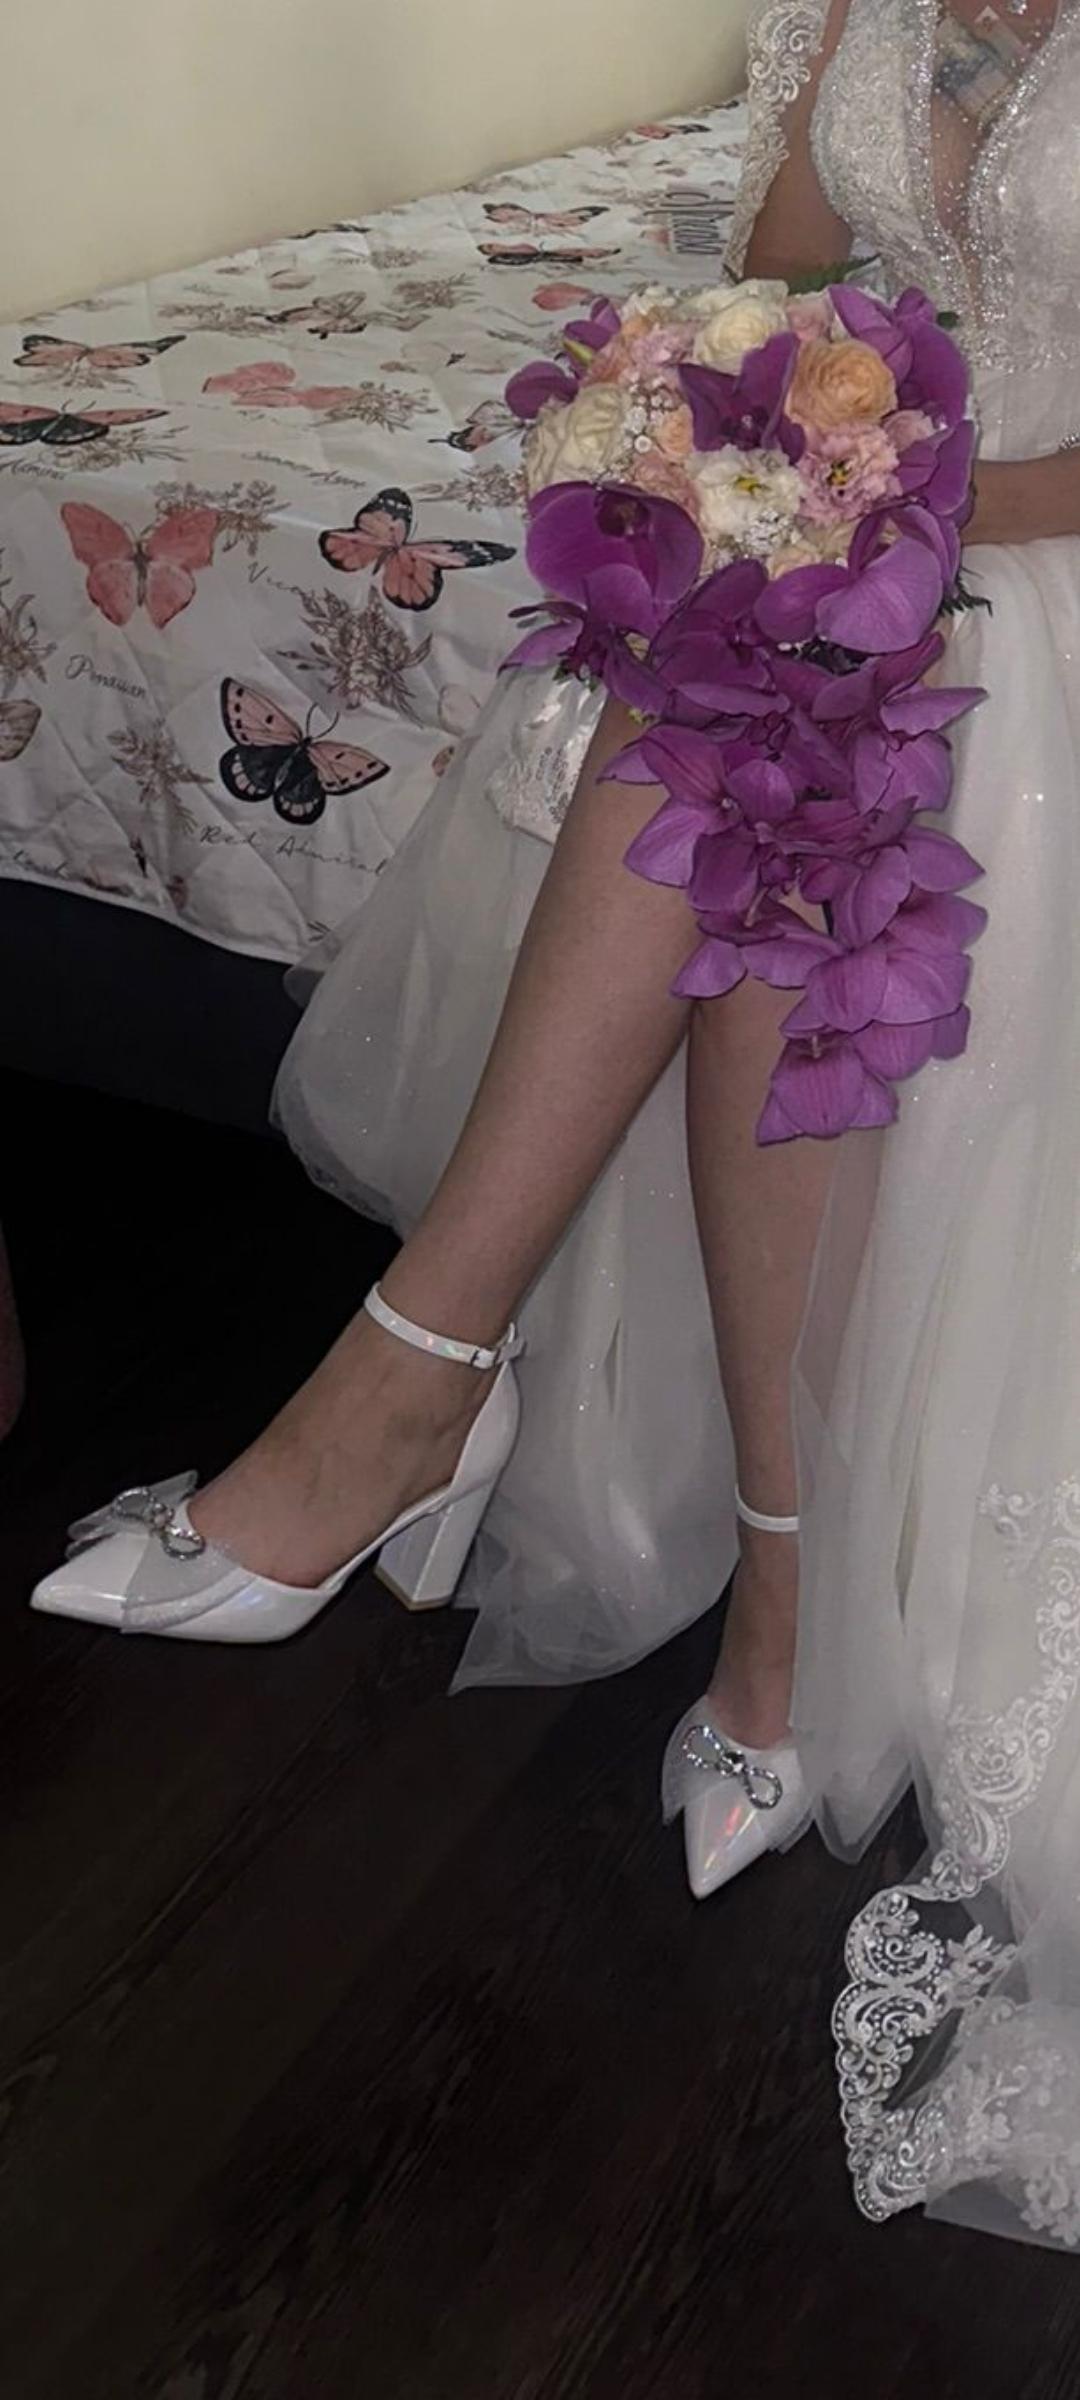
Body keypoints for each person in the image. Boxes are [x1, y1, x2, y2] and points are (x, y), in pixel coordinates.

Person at [35, 0, 1080, 2242]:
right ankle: (600, 1492)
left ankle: (431, 1404)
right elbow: (795, 271)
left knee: (770, 759)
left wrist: (872, 525)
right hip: (878, 548)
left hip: (1047, 562)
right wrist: (735, 428)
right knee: (732, 737)